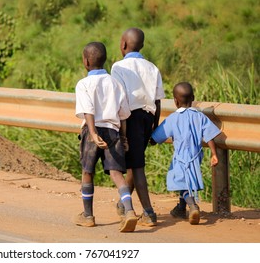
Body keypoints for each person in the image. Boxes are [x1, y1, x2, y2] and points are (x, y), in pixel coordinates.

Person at [74, 41, 138, 232]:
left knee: (87, 172)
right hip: (113, 131)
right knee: (117, 174)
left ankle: (88, 215)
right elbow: (123, 114)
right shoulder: (115, 83)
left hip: (92, 131)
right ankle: (129, 211)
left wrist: (93, 133)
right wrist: (123, 137)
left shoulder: (83, 84)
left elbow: (88, 111)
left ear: (86, 61)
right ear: (105, 60)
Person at [111, 27, 165, 226]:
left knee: (138, 167)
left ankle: (149, 212)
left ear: (123, 45)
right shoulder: (152, 67)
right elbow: (158, 101)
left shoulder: (118, 67)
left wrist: (120, 127)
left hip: (130, 118)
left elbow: (119, 98)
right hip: (148, 118)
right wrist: (155, 127)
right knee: (136, 161)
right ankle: (122, 204)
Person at [151, 82, 221, 225]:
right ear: (193, 98)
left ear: (175, 101)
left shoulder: (172, 118)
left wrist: (149, 139)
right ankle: (181, 208)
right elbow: (210, 136)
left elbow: (157, 137)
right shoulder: (200, 116)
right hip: (196, 156)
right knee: (186, 180)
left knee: (178, 181)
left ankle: (193, 206)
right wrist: (214, 154)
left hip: (180, 158)